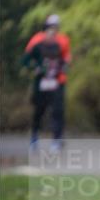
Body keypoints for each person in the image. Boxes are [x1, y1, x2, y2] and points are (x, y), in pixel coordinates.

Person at [22, 14, 71, 152]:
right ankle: (34, 138)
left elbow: (66, 57)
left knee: (58, 111)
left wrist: (65, 64)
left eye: (56, 27)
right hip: (41, 81)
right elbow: (27, 58)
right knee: (39, 110)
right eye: (51, 27)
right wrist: (35, 67)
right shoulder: (36, 40)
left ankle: (57, 139)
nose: (53, 30)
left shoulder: (63, 40)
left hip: (57, 81)